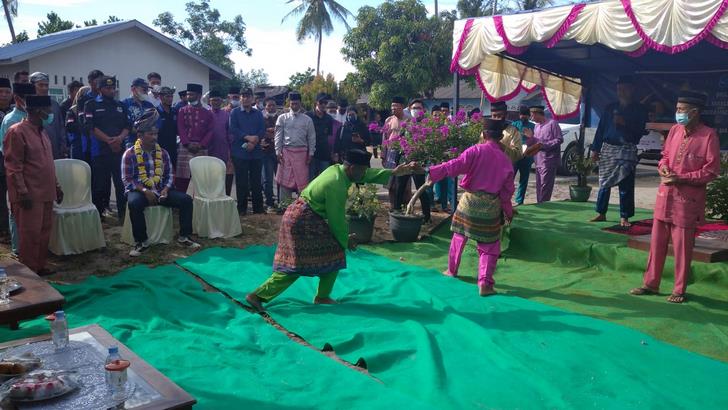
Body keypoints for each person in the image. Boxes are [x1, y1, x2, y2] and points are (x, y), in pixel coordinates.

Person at [245, 149, 421, 312]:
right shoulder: (335, 184)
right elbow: (336, 220)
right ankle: (257, 295)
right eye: (361, 170)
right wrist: (346, 240)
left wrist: (395, 172)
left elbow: (367, 174)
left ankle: (322, 296)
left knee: (330, 254)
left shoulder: (339, 169)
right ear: (352, 168)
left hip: (304, 216)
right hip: (302, 220)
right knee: (297, 266)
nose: (364, 174)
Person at [630, 91, 720, 304]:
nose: (677, 113)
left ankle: (679, 289)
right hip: (665, 196)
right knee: (656, 243)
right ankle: (650, 283)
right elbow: (665, 156)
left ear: (694, 112)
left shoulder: (708, 136)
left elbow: (711, 171)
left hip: (687, 201)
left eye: (681, 110)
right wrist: (663, 168)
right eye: (677, 109)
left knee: (682, 247)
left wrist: (681, 177)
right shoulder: (674, 131)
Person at [426, 119, 515, 296]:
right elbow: (507, 191)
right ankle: (485, 283)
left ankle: (452, 270)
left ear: (483, 134)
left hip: (468, 202)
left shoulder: (475, 150)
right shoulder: (506, 160)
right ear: (500, 137)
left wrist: (433, 172)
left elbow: (455, 165)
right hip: (490, 206)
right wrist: (508, 211)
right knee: (489, 247)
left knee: (459, 237)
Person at [121, 109, 200, 257]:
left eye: (156, 134)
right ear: (140, 136)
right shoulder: (130, 153)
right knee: (134, 204)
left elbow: (170, 174)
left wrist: (166, 189)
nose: (154, 137)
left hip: (161, 191)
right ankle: (141, 242)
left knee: (186, 200)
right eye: (150, 134)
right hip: (141, 192)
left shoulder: (162, 152)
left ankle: (184, 237)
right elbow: (127, 179)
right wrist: (145, 191)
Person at [4, 95, 64, 275]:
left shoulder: (42, 132)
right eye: (48, 109)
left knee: (44, 232)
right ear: (38, 111)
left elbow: (48, 164)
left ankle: (39, 266)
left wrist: (57, 187)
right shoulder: (17, 132)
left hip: (46, 192)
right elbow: (13, 167)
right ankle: (30, 272)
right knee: (30, 235)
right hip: (29, 195)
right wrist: (23, 193)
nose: (51, 113)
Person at [590, 76, 648, 227]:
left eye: (625, 89)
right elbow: (601, 129)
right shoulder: (610, 107)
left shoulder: (639, 109)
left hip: (626, 149)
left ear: (632, 89)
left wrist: (624, 124)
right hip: (608, 149)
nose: (621, 92)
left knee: (625, 183)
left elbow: (639, 132)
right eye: (619, 89)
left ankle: (625, 216)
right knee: (604, 182)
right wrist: (595, 149)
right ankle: (601, 212)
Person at [84, 76, 130, 220]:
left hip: (118, 151)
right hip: (100, 151)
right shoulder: (90, 104)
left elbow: (128, 126)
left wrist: (119, 139)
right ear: (100, 89)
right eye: (107, 88)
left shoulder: (121, 105)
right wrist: (109, 141)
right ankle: (99, 215)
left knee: (121, 184)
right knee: (100, 186)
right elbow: (90, 127)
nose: (111, 90)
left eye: (113, 88)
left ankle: (123, 214)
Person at [1, 82, 36, 255]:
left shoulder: (34, 118)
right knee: (16, 210)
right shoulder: (11, 120)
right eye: (28, 99)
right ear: (18, 99)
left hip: (33, 173)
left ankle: (31, 248)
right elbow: (7, 152)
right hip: (17, 173)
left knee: (31, 212)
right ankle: (18, 249)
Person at [393, 99, 431, 222]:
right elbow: (400, 143)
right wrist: (397, 161)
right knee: (399, 189)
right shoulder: (407, 124)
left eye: (419, 108)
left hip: (419, 164)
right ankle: (396, 214)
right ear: (409, 109)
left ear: (423, 110)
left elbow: (430, 146)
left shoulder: (429, 126)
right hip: (405, 162)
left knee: (421, 190)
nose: (416, 110)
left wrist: (424, 162)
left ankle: (427, 217)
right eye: (414, 108)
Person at [275, 91, 317, 202]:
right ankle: (284, 207)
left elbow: (311, 138)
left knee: (302, 185)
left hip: (302, 155)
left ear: (300, 103)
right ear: (289, 103)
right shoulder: (282, 118)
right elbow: (278, 136)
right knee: (285, 183)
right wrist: (277, 151)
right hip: (286, 153)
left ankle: (301, 210)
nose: (294, 106)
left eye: (296, 104)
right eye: (292, 104)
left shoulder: (307, 120)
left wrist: (311, 153)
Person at [229, 88, 266, 214]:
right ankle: (242, 208)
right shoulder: (234, 113)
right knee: (242, 182)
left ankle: (258, 209)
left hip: (256, 153)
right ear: (240, 98)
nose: (245, 98)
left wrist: (255, 139)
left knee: (256, 182)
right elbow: (233, 129)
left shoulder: (258, 113)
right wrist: (247, 137)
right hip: (240, 153)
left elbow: (262, 129)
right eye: (243, 96)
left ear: (252, 98)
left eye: (248, 96)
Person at [176, 83, 213, 193]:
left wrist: (201, 144)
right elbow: (180, 128)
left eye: (191, 94)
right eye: (187, 94)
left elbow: (210, 131)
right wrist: (187, 143)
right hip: (185, 147)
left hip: (202, 148)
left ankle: (199, 206)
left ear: (199, 95)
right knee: (181, 178)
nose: (188, 97)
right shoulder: (182, 110)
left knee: (201, 180)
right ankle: (179, 206)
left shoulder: (208, 113)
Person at [529, 105, 562, 203]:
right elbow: (536, 141)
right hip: (538, 160)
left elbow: (559, 139)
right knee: (539, 185)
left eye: (532, 116)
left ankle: (544, 204)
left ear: (537, 114)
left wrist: (543, 145)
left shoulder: (553, 124)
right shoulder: (536, 126)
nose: (531, 118)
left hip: (549, 160)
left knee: (545, 185)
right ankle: (540, 203)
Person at [29, 72, 66, 159]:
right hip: (34, 153)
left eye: (46, 85)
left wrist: (63, 145)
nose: (44, 88)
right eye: (40, 85)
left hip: (54, 150)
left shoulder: (54, 105)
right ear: (32, 86)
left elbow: (61, 127)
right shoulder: (27, 105)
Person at [205, 89, 234, 195]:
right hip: (208, 150)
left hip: (223, 149)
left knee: (225, 175)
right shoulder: (205, 114)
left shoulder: (226, 115)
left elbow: (230, 134)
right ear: (209, 101)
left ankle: (225, 198)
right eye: (213, 100)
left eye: (218, 100)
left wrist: (231, 151)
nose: (215, 102)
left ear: (221, 101)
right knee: (210, 176)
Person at [511, 106, 536, 205]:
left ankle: (519, 201)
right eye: (522, 114)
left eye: (525, 115)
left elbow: (536, 140)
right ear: (519, 115)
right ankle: (506, 199)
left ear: (528, 116)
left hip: (527, 156)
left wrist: (531, 136)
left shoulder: (533, 126)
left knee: (524, 179)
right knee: (510, 178)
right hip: (515, 155)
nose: (523, 116)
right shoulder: (514, 125)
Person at [307, 93, 335, 179]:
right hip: (311, 154)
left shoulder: (329, 119)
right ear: (316, 103)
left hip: (324, 154)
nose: (323, 105)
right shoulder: (307, 116)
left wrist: (332, 152)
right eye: (321, 102)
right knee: (310, 180)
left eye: (325, 103)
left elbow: (330, 137)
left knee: (324, 180)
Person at [122, 78, 155, 148]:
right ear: (133, 89)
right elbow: (124, 125)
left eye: (147, 90)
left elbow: (156, 122)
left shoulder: (149, 105)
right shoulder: (124, 104)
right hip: (131, 143)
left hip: (148, 143)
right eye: (144, 89)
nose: (146, 92)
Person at [0, 78, 14, 240]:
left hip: (13, 162)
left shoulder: (15, 112)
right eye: (1, 91)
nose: (4, 95)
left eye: (7, 92)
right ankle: (3, 229)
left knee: (15, 197)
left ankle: (13, 228)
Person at [262, 97, 279, 210]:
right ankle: (269, 202)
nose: (271, 107)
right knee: (268, 179)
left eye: (273, 105)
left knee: (280, 178)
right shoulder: (261, 118)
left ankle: (281, 201)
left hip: (279, 152)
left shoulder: (281, 118)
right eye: (269, 105)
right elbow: (259, 131)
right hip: (266, 151)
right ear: (265, 107)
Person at [156, 86, 178, 168]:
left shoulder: (174, 112)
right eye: (167, 96)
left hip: (173, 148)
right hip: (159, 149)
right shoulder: (156, 112)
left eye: (171, 96)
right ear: (161, 97)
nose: (170, 99)